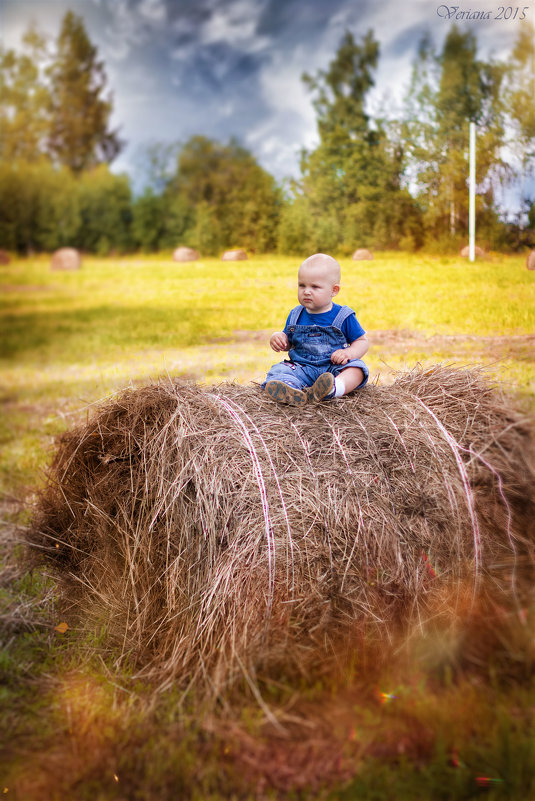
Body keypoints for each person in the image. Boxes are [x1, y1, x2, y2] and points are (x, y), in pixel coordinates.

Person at [263, 253, 369, 406]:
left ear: (334, 290)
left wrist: (348, 353)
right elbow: (288, 342)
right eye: (302, 285)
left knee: (358, 369)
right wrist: (279, 338)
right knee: (278, 369)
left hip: (334, 368)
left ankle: (333, 389)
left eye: (315, 287)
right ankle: (290, 389)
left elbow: (362, 341)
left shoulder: (343, 316)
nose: (306, 291)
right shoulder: (295, 315)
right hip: (302, 368)